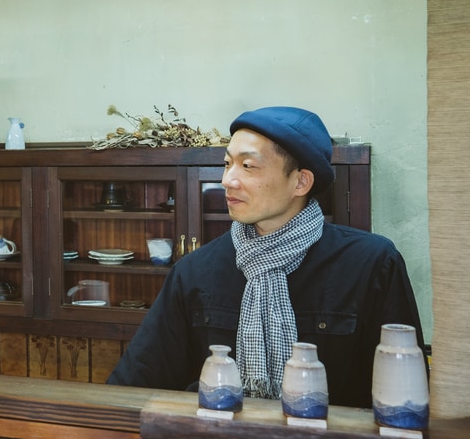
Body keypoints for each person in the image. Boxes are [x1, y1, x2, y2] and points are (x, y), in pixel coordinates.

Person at [106, 106, 423, 409]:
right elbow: (132, 387)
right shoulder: (195, 271)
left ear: (300, 181)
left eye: (248, 166)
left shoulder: (370, 264)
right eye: (227, 163)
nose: (228, 180)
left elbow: (404, 400)